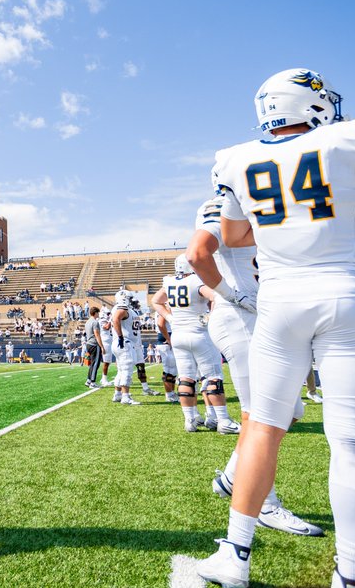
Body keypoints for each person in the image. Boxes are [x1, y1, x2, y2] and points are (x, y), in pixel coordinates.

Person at [195, 68, 355, 588]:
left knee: (263, 426)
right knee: (350, 439)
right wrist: (351, 201)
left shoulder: (234, 158)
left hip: (279, 299)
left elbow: (233, 236)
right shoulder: (347, 140)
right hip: (345, 294)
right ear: (309, 102)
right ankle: (351, 584)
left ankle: (235, 555)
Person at [188, 194, 326, 536]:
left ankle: (234, 476)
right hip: (239, 318)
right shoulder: (223, 205)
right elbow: (198, 252)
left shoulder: (254, 203)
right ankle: (265, 505)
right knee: (262, 414)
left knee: (292, 411)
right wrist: (233, 295)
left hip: (259, 318)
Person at [154, 255, 238, 432]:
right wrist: (209, 317)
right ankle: (222, 420)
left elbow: (156, 301)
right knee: (213, 377)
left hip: (178, 335)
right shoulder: (195, 280)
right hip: (198, 333)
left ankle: (190, 420)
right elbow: (215, 297)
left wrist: (170, 317)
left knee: (185, 377)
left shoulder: (169, 282)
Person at [109, 289, 144, 405]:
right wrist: (120, 337)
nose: (131, 301)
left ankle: (117, 394)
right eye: (130, 298)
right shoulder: (121, 308)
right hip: (125, 342)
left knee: (121, 370)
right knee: (127, 370)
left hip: (123, 342)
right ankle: (125, 396)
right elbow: (116, 319)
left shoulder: (127, 309)